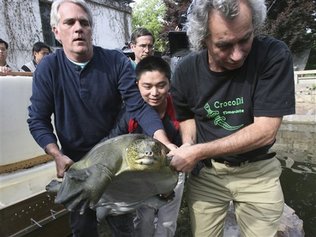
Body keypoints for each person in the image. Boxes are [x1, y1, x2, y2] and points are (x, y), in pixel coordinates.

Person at [27, 0, 175, 236]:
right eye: (70, 22)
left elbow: (139, 106)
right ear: (56, 31)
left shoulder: (116, 61)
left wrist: (164, 142)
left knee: (122, 224)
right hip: (76, 163)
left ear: (90, 29)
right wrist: (56, 154)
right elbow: (37, 119)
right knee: (83, 227)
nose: (78, 28)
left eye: (84, 23)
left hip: (118, 161)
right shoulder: (48, 68)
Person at [168, 0, 296, 237]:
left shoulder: (272, 55)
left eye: (245, 39)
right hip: (207, 175)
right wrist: (188, 143)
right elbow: (186, 117)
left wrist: (197, 152)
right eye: (224, 45)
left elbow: (265, 131)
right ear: (203, 39)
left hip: (258, 173)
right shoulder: (185, 71)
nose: (237, 55)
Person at [105, 56, 184, 237]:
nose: (154, 93)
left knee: (167, 221)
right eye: (147, 86)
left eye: (161, 85)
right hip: (140, 174)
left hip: (173, 170)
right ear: (137, 85)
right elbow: (112, 140)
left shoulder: (179, 108)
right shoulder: (129, 113)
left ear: (169, 84)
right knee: (144, 220)